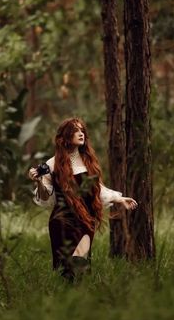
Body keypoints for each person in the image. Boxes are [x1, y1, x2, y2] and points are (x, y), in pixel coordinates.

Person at [28, 116, 137, 281]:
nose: (81, 133)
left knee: (81, 264)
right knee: (65, 269)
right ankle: (68, 301)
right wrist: (39, 181)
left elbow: (97, 189)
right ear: (65, 136)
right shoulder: (52, 164)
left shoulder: (89, 161)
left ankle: (83, 299)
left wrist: (119, 199)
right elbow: (45, 197)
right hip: (62, 220)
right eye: (75, 131)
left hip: (86, 219)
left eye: (82, 130)